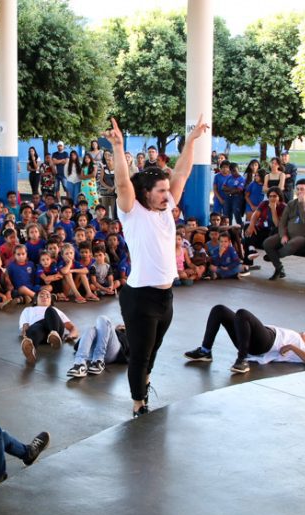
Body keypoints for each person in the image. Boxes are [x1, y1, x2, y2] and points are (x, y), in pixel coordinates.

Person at [105, 115, 209, 418]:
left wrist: (190, 141)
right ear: (146, 193)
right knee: (139, 355)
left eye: (168, 191)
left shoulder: (166, 211)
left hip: (166, 298)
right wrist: (118, 147)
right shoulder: (132, 212)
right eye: (161, 191)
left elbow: (183, 171)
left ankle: (142, 381)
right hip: (140, 298)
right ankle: (139, 404)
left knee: (151, 352)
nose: (168, 196)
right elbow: (123, 182)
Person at [184, 305, 305, 373]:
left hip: (267, 342)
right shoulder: (297, 339)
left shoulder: (300, 346)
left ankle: (241, 360)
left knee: (242, 313)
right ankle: (205, 350)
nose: (304, 332)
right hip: (250, 338)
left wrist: (292, 346)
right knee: (219, 310)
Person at [262, 179, 305, 281]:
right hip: (288, 233)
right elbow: (282, 222)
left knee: (292, 244)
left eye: (302, 189)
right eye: (297, 189)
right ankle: (279, 268)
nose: (299, 192)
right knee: (267, 243)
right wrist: (283, 235)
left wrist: (302, 204)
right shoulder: (291, 203)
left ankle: (273, 257)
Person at [17, 289, 78, 365]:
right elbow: (25, 325)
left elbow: (72, 327)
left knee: (50, 311)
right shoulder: (28, 310)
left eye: (47, 296)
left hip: (55, 327)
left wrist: (71, 336)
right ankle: (31, 349)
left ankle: (54, 335)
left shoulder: (55, 310)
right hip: (40, 332)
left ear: (50, 301)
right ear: (36, 300)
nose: (45, 297)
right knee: (35, 328)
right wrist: (26, 336)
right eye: (41, 295)